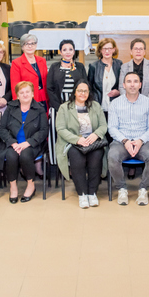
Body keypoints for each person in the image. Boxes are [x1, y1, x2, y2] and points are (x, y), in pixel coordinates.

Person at [107, 72, 149, 206]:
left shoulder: (148, 103)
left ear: (140, 85)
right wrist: (125, 141)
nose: (132, 85)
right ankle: (122, 189)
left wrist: (140, 140)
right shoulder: (115, 103)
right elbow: (112, 127)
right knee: (112, 156)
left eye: (135, 81)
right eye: (129, 81)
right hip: (121, 141)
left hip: (143, 141)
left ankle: (143, 189)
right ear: (123, 85)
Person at [55, 80, 108, 209]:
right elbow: (60, 128)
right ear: (74, 92)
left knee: (96, 158)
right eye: (80, 90)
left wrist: (95, 135)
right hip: (73, 143)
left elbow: (103, 125)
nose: (82, 93)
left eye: (85, 91)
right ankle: (82, 194)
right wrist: (77, 140)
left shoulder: (95, 106)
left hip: (93, 142)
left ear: (89, 93)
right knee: (77, 159)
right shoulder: (64, 108)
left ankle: (92, 193)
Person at [0, 81, 48, 203]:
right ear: (17, 95)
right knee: (11, 155)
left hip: (32, 144)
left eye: (27, 92)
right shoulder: (10, 108)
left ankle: (31, 185)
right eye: (21, 92)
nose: (25, 94)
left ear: (32, 94)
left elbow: (44, 130)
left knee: (25, 155)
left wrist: (28, 143)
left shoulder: (39, 109)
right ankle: (13, 187)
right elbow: (2, 128)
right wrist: (12, 143)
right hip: (14, 143)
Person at [47, 39, 87, 112]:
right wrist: (58, 106)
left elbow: (85, 85)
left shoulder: (80, 67)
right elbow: (50, 87)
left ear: (74, 51)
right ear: (61, 52)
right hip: (58, 104)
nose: (68, 52)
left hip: (77, 103)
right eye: (64, 50)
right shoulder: (54, 67)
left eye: (70, 49)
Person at [10, 34, 49, 109]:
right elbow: (15, 87)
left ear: (36, 45)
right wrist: (18, 105)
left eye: (32, 43)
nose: (30, 46)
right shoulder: (16, 63)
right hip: (27, 100)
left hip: (43, 97)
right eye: (27, 44)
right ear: (22, 47)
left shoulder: (42, 60)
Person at [88, 38, 122, 116]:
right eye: (104, 49)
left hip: (115, 106)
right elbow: (89, 87)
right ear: (100, 50)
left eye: (109, 48)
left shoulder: (119, 64)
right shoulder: (93, 66)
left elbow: (122, 84)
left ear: (114, 49)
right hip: (98, 106)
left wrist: (119, 91)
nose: (107, 51)